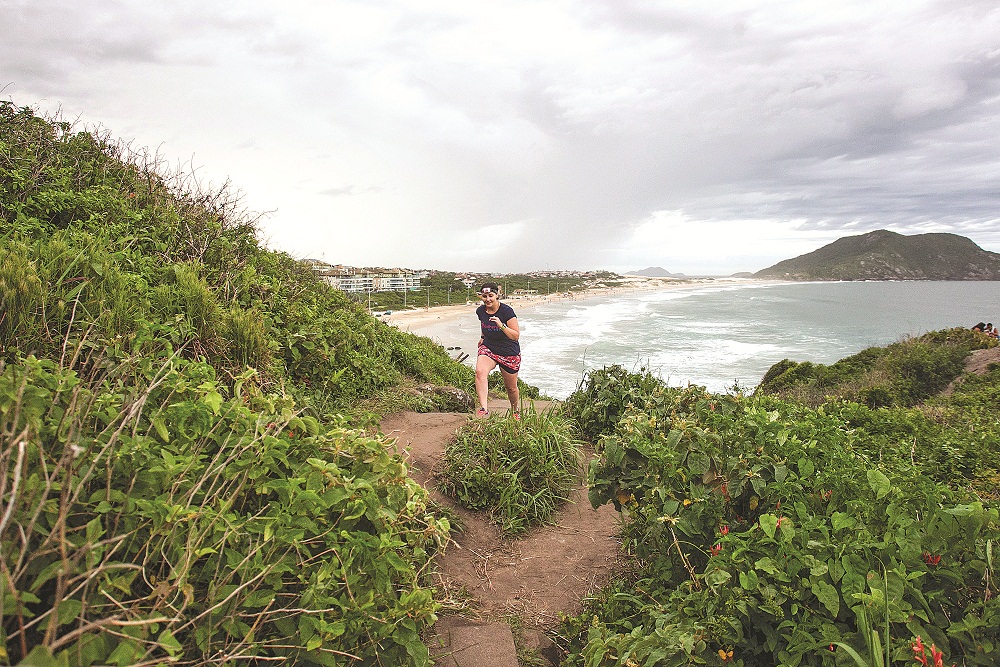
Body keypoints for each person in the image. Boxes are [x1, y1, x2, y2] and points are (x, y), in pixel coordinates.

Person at [474, 282, 521, 419]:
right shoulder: (480, 311)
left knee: (511, 388)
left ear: (497, 296)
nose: (487, 299)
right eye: (484, 296)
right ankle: (483, 409)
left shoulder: (507, 312)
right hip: (489, 347)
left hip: (508, 351)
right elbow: (483, 324)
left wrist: (501, 325)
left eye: (490, 295)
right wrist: (482, 337)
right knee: (480, 372)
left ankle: (515, 411)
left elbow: (516, 336)